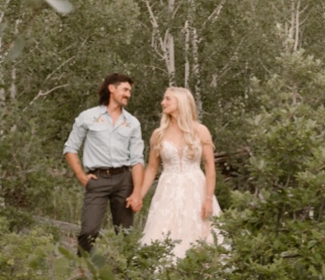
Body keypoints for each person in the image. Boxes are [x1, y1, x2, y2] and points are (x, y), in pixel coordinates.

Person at [62, 73, 144, 253]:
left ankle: (129, 278)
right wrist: (81, 176)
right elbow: (70, 148)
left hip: (124, 180)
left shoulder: (132, 123)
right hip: (97, 180)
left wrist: (137, 192)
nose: (128, 94)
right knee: (89, 231)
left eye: (130, 91)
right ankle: (82, 274)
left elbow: (137, 160)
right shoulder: (88, 117)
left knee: (125, 234)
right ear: (111, 89)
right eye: (125, 90)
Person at [138, 85, 222, 260]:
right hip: (168, 189)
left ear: (181, 102)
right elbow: (152, 168)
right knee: (164, 231)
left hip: (195, 188)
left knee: (197, 232)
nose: (163, 102)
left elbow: (210, 167)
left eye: (168, 99)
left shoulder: (200, 130)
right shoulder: (158, 134)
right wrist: (139, 195)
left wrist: (208, 199)